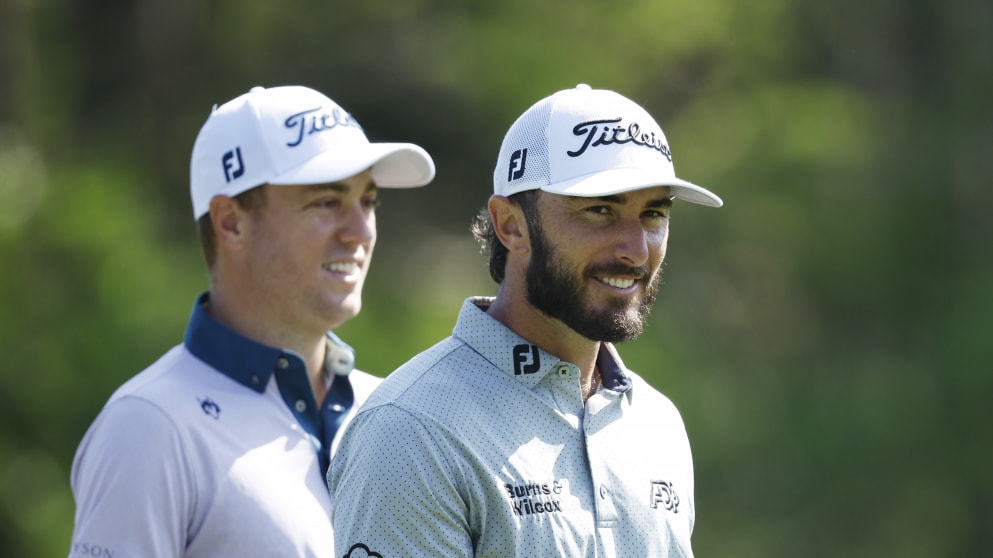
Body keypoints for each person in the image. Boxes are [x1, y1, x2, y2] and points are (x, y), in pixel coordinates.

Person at [328, 84, 723, 557]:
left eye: (653, 214)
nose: (636, 250)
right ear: (511, 225)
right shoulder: (410, 430)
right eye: (600, 210)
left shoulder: (657, 424)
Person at [69, 85, 435, 558]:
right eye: (327, 202)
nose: (360, 232)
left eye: (368, 202)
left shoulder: (392, 411)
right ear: (231, 222)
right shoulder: (148, 426)